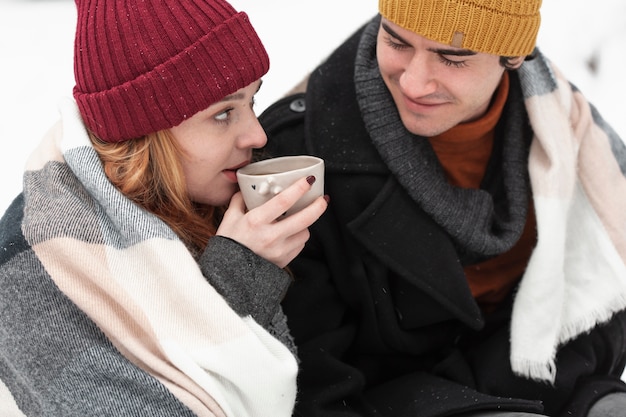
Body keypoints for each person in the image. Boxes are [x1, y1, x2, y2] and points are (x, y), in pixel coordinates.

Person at [258, 0, 626, 416]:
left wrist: (594, 399)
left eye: (452, 57)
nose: (414, 83)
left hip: (549, 385)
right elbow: (308, 383)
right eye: (395, 41)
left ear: (515, 54)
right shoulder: (296, 161)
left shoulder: (570, 137)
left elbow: (605, 297)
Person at [0, 0, 328, 416]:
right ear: (143, 133)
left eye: (252, 102)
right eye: (224, 113)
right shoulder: (40, 271)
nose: (258, 135)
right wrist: (240, 276)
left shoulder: (196, 191)